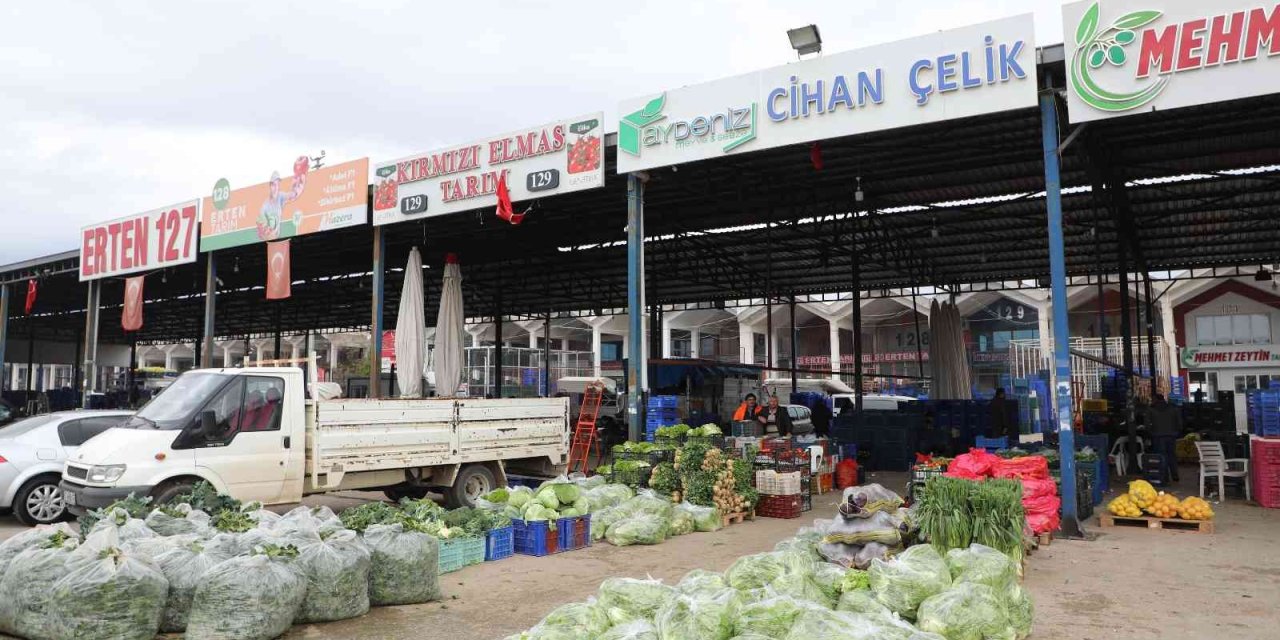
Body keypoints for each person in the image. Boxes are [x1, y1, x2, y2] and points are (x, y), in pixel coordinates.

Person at [1146, 394, 1182, 483]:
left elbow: (1147, 424)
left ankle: (1164, 476)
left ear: (1155, 399)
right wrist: (1176, 432)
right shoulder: (1173, 408)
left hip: (1157, 436)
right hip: (1171, 436)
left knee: (1161, 456)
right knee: (1172, 455)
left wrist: (1151, 433)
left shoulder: (1151, 409)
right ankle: (1175, 475)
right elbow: (1180, 423)